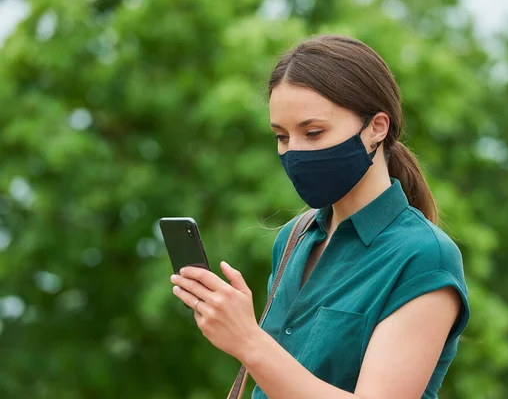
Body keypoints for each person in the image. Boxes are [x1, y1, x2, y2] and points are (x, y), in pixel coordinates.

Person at [170, 34, 470, 399]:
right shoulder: (294, 237)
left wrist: (248, 340)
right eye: (282, 137)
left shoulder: (425, 257)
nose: (294, 152)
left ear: (377, 127)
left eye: (313, 133)